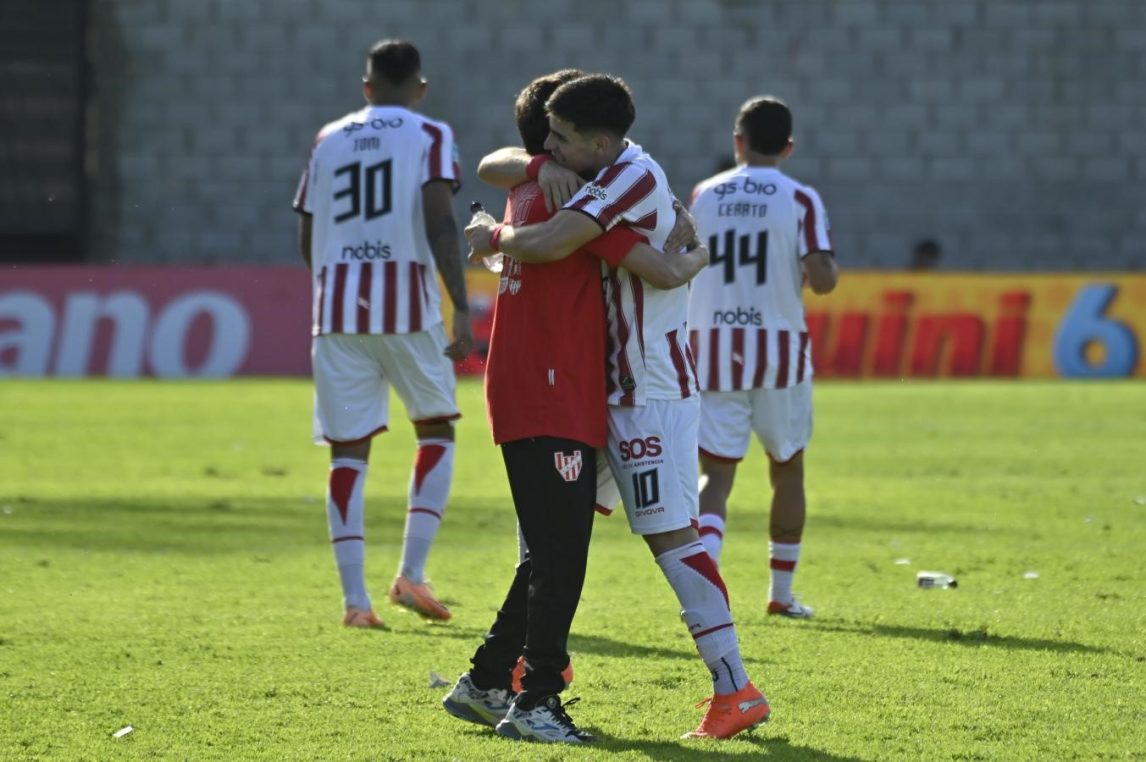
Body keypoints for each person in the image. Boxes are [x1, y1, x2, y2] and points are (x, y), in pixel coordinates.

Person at [466, 74, 770, 741]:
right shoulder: (585, 170)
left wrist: (491, 237)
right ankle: (502, 675)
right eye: (545, 135)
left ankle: (735, 689)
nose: (549, 147)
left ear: (602, 143)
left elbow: (593, 254)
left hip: (649, 389)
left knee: (668, 538)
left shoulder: (627, 179)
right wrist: (545, 161)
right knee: (553, 543)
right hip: (605, 390)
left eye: (562, 139)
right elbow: (499, 162)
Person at [292, 39, 473, 629]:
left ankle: (355, 602)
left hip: (337, 312)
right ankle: (411, 574)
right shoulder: (430, 135)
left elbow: (308, 228)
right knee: (437, 427)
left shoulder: (328, 138)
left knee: (348, 450)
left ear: (365, 86)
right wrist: (463, 307)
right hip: (407, 309)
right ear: (420, 88)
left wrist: (331, 286)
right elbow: (441, 221)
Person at [687, 95, 838, 619]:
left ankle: (706, 591)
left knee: (716, 474)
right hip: (779, 354)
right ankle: (780, 594)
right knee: (787, 466)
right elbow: (822, 280)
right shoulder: (800, 199)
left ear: (738, 142)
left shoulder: (704, 193)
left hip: (712, 349)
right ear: (789, 147)